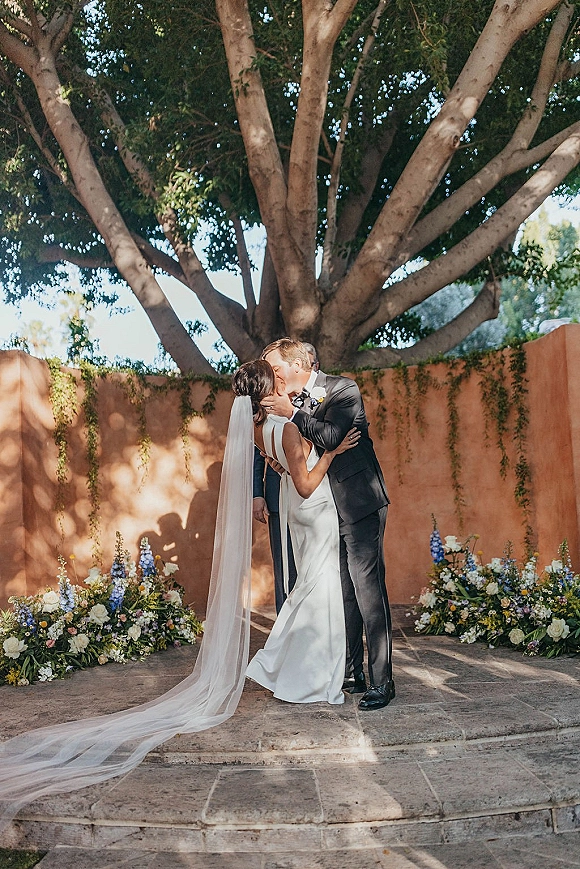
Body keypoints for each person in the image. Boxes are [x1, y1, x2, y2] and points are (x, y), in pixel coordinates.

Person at [261, 339, 394, 711]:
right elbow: (305, 451)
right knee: (343, 592)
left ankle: (383, 681)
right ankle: (353, 671)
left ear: (299, 364)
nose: (274, 377)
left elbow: (333, 437)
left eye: (277, 369)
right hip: (325, 510)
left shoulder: (342, 389)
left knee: (368, 590)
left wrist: (293, 413)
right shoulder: (295, 405)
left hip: (360, 503)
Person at [233, 360, 359, 705]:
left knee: (307, 584)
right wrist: (331, 453)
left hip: (291, 509)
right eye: (275, 375)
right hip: (314, 508)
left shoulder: (255, 429)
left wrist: (285, 468)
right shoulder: (288, 427)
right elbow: (305, 485)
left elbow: (276, 463)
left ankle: (281, 663)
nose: (281, 377)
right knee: (321, 589)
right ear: (269, 385)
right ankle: (304, 674)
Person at [253, 344, 319, 613]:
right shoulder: (270, 406)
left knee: (312, 565)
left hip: (315, 495)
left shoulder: (320, 397)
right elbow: (258, 453)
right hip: (281, 491)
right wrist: (257, 492)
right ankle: (285, 623)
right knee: (285, 563)